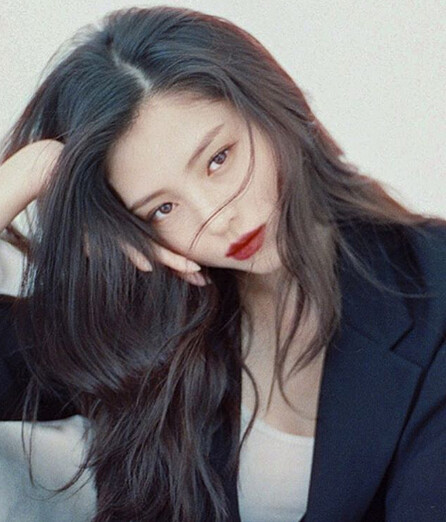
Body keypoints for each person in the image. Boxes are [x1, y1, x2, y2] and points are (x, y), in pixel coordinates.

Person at [0, 5, 445, 522]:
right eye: (162, 208)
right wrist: (24, 175)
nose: (216, 217)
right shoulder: (140, 315)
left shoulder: (432, 283)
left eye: (218, 158)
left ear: (267, 106)